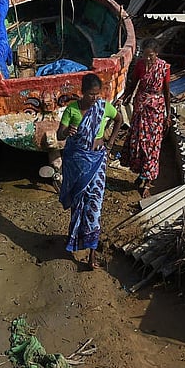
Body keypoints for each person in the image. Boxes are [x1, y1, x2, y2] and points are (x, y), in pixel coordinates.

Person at [57, 73, 123, 270]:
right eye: (91, 94)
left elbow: (119, 120)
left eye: (97, 94)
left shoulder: (104, 108)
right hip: (77, 162)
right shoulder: (72, 110)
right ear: (82, 92)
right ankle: (76, 240)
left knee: (94, 206)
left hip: (97, 162)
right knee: (79, 205)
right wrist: (66, 132)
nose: (94, 98)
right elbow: (59, 134)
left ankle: (92, 254)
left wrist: (109, 144)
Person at [118, 38, 171, 198]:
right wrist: (125, 97)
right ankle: (141, 174)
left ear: (157, 54)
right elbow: (133, 84)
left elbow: (167, 92)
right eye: (146, 55)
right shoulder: (140, 65)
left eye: (152, 56)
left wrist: (168, 114)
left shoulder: (164, 68)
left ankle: (148, 182)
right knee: (138, 142)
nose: (148, 59)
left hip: (156, 110)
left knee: (152, 146)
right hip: (140, 108)